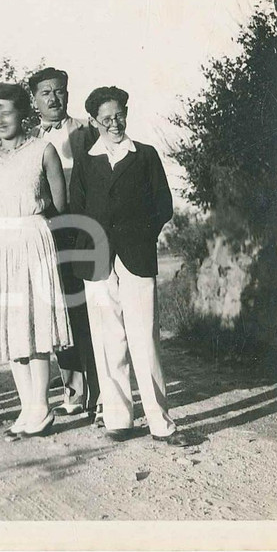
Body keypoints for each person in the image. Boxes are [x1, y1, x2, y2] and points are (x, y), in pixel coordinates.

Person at [70, 86, 191, 447]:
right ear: (93, 121)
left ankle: (160, 422)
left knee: (144, 338)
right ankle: (118, 419)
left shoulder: (145, 155)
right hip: (97, 260)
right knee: (108, 339)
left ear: (126, 113)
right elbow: (76, 209)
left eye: (119, 115)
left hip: (137, 257)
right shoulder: (86, 161)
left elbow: (163, 205)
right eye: (106, 118)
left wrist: (141, 236)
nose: (114, 123)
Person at [0, 83, 72, 440]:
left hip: (31, 239)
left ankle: (41, 406)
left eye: (7, 111)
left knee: (35, 323)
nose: (0, 119)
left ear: (22, 113)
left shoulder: (43, 150)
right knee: (9, 327)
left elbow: (60, 204)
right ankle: (29, 407)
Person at [28, 67, 101, 421]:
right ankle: (73, 389)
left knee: (87, 310)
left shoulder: (86, 132)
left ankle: (99, 392)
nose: (53, 98)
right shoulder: (29, 140)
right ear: (34, 100)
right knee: (58, 311)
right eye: (45, 92)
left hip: (82, 229)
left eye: (59, 91)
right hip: (46, 232)